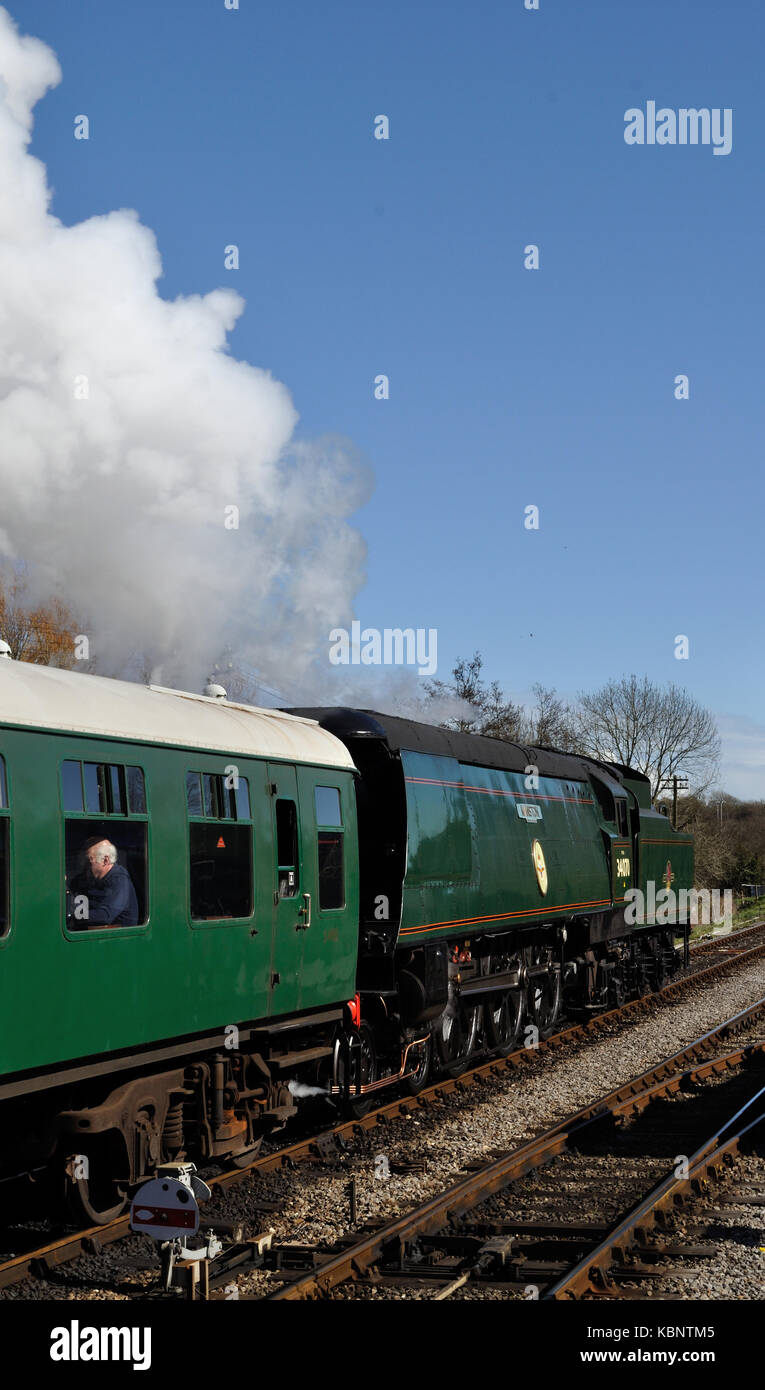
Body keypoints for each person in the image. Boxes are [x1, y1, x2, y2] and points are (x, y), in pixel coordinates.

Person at [70, 839, 139, 928]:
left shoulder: (119, 881)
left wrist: (73, 916)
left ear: (105, 860)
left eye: (89, 860)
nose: (83, 866)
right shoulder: (91, 879)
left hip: (117, 938)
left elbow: (104, 916)